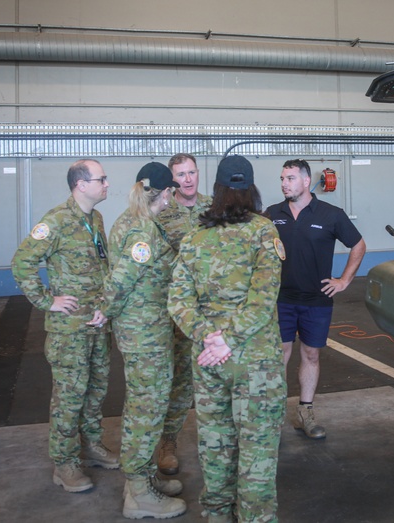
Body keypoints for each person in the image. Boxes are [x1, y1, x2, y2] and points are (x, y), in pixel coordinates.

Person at [168, 156, 286, 523]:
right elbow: (263, 297)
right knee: (257, 452)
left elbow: (178, 300)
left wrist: (208, 337)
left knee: (215, 446)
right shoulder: (263, 231)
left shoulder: (194, 238)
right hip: (255, 361)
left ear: (216, 189)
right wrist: (230, 339)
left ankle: (217, 514)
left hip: (208, 362)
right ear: (251, 189)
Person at [11, 159, 119, 493]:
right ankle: (65, 462)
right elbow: (22, 262)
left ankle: (91, 446)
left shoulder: (95, 218)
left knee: (95, 392)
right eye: (101, 179)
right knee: (69, 398)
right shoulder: (56, 220)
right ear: (81, 184)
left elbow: (101, 267)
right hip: (69, 329)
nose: (107, 184)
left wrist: (105, 306)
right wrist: (47, 300)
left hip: (96, 324)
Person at [102, 162, 187, 519]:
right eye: (173, 192)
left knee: (146, 405)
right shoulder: (142, 230)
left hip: (146, 328)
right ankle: (138, 494)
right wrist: (101, 312)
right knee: (145, 409)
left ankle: (145, 478)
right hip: (143, 333)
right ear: (164, 194)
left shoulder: (131, 219)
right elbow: (119, 281)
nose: (174, 198)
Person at [265, 159, 366, 440]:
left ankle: (305, 412)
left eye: (291, 178)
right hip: (281, 299)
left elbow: (358, 245)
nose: (284, 183)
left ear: (306, 181)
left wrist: (344, 280)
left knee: (310, 354)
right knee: (278, 356)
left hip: (316, 300)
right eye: (282, 178)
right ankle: (271, 417)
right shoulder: (272, 214)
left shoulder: (330, 214)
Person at [153, 153, 212, 476]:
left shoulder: (214, 208)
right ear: (171, 179)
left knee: (213, 379)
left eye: (191, 172)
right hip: (175, 311)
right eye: (180, 175)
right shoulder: (162, 211)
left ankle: (215, 442)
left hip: (210, 310)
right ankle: (168, 442)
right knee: (176, 382)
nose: (187, 179)